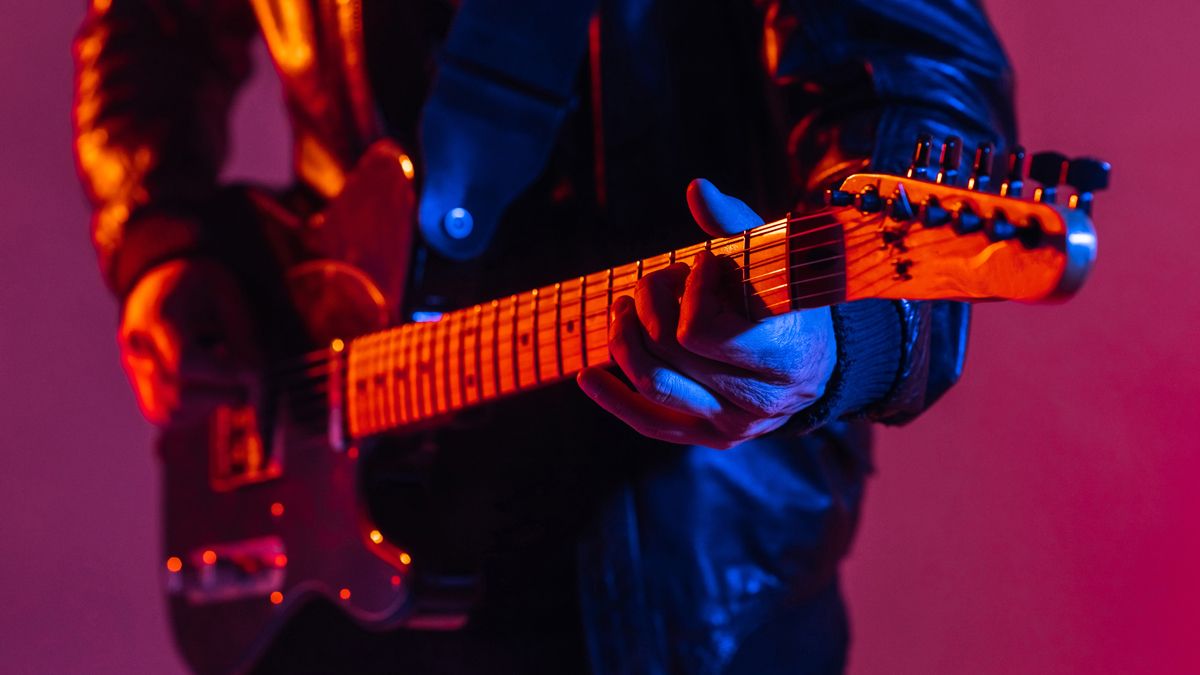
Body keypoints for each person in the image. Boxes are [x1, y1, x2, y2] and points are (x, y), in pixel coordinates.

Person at [72, 0, 1014, 672]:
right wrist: (157, 240)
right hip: (332, 534)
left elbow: (916, 72)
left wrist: (841, 333)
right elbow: (149, 28)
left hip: (678, 577)